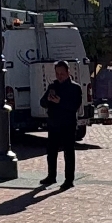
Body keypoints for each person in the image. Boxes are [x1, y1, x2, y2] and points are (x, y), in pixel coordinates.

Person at [39, 61, 83, 189]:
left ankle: (69, 180)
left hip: (68, 124)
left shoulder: (75, 87)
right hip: (54, 123)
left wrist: (60, 101)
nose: (59, 76)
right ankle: (51, 176)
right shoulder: (53, 86)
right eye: (57, 73)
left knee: (68, 152)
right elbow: (42, 102)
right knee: (51, 151)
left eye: (62, 74)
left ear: (68, 72)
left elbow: (74, 106)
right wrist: (48, 99)